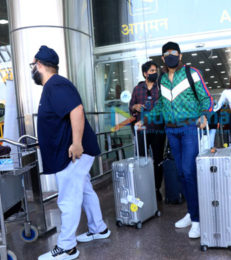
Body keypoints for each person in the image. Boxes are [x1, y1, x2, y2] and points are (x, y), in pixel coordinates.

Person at [32, 46, 110, 260]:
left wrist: (76, 143)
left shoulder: (55, 84)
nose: (33, 70)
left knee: (68, 198)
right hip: (73, 151)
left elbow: (76, 110)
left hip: (74, 153)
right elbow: (60, 120)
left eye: (33, 66)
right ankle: (99, 228)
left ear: (39, 65)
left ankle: (67, 247)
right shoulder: (55, 86)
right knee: (85, 191)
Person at [136, 41, 213, 239]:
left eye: (174, 52)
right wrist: (145, 119)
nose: (171, 55)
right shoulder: (161, 79)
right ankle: (191, 213)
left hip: (189, 129)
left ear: (180, 55)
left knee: (188, 172)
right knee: (180, 173)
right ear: (163, 58)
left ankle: (197, 220)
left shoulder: (191, 72)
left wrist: (205, 115)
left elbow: (206, 98)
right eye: (167, 53)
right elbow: (161, 105)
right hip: (171, 131)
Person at [129, 61, 165, 201]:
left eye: (155, 70)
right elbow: (131, 106)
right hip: (141, 130)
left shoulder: (161, 88)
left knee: (158, 159)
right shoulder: (137, 89)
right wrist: (135, 107)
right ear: (145, 73)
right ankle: (143, 186)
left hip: (158, 129)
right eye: (151, 71)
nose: (154, 73)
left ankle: (156, 187)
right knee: (142, 158)